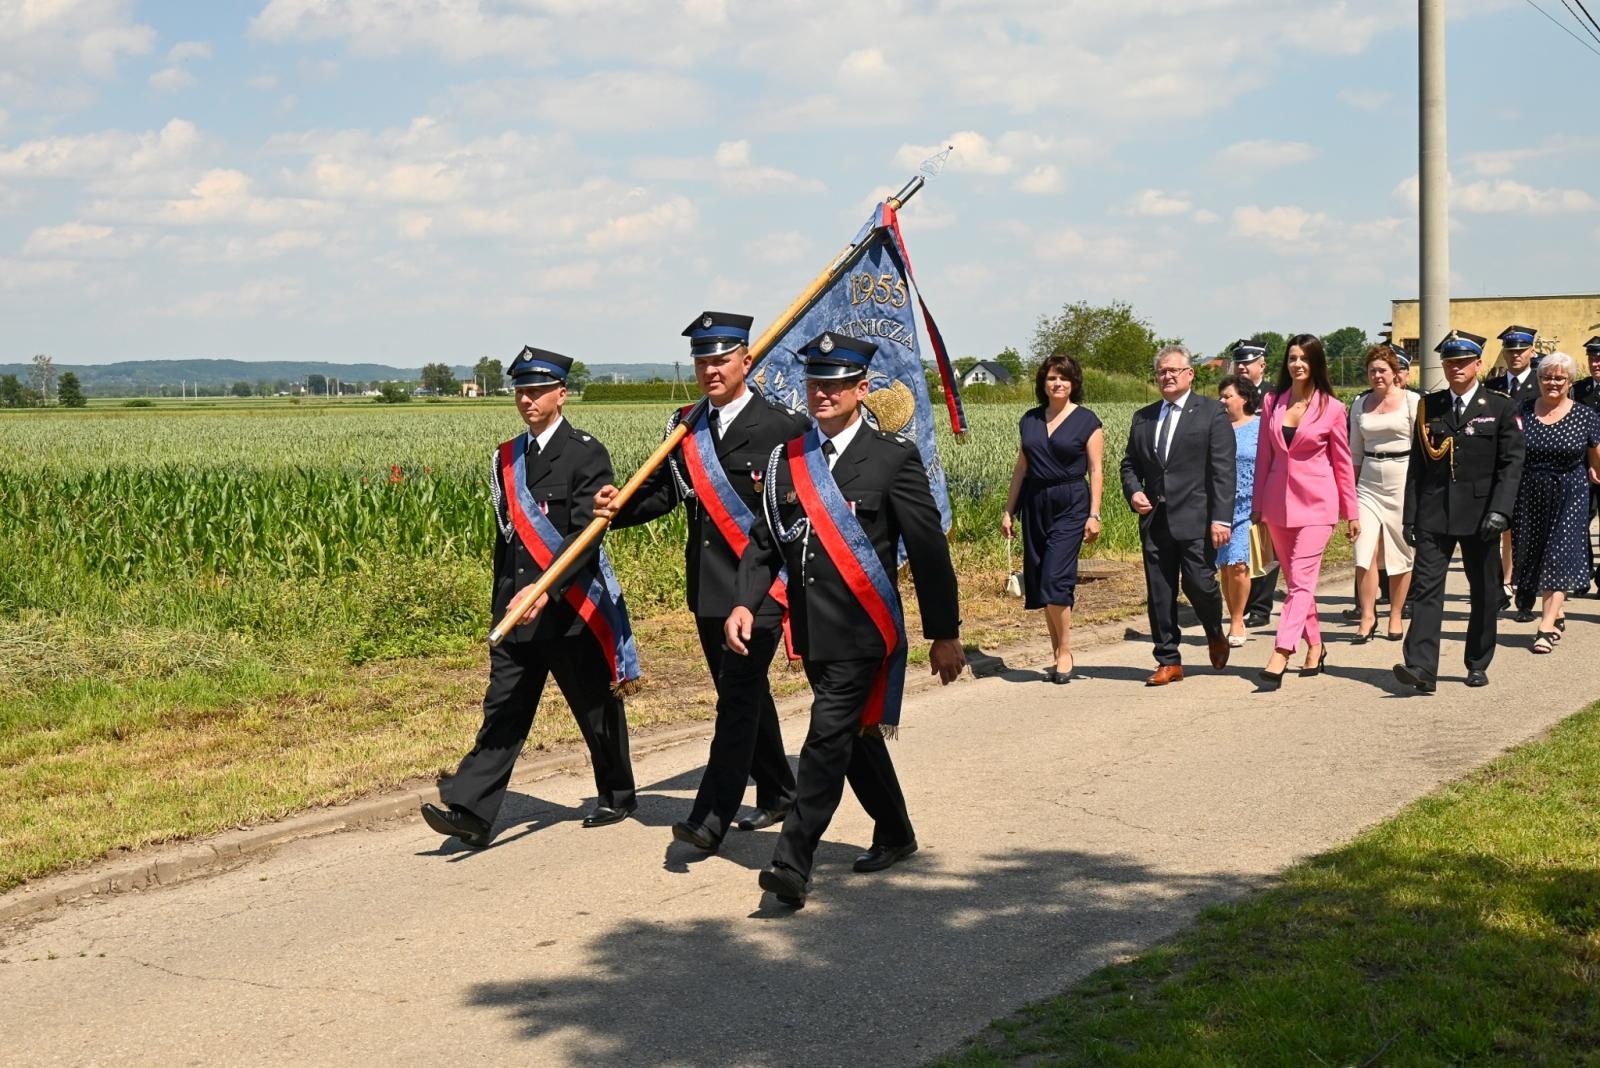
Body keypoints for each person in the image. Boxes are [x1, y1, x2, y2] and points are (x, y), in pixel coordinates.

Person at [727, 331, 964, 908]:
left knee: (823, 741)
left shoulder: (892, 458)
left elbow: (929, 552)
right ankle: (897, 830)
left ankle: (793, 862)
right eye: (815, 383)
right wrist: (743, 600)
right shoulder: (790, 459)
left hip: (865, 631)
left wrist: (945, 634)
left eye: (835, 384)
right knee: (856, 737)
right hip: (811, 629)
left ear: (861, 389)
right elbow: (765, 541)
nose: (822, 393)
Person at [593, 311, 806, 853]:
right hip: (708, 585)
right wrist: (618, 508)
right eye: (702, 359)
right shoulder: (686, 426)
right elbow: (667, 493)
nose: (711, 369)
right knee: (742, 689)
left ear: (746, 361)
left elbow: (797, 514)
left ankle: (710, 815)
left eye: (721, 358)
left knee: (735, 698)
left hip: (760, 591)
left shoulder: (784, 427)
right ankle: (780, 790)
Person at [422, 347, 638, 849]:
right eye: (521, 390)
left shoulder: (587, 452)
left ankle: (618, 791)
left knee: (593, 706)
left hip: (570, 607)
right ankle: (472, 811)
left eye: (538, 390)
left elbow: (586, 535)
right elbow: (508, 541)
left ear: (561, 394)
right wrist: (504, 602)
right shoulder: (507, 457)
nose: (528, 399)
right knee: (505, 707)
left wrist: (547, 589)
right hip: (516, 609)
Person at [1394, 331, 1525, 693]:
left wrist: (1501, 511)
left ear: (1478, 365)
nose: (1456, 368)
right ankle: (1421, 667)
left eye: (1464, 362)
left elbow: (1511, 465)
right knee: (1425, 590)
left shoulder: (1499, 407)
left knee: (1484, 591)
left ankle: (1478, 661)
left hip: (1482, 516)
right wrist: (1410, 516)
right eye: (1450, 362)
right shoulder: (1429, 406)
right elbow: (1417, 467)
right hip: (1435, 514)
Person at [1119, 344, 1235, 686]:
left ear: (1189, 374)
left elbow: (1223, 470)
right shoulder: (1144, 416)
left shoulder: (1211, 412)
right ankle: (1168, 659)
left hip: (1198, 518)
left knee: (1199, 584)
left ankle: (1214, 631)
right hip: (1155, 519)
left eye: (1173, 370)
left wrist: (1221, 518)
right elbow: (1129, 464)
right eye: (1161, 372)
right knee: (1160, 591)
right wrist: (1133, 491)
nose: (1166, 376)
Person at [1251, 334, 1358, 689]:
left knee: (1302, 581)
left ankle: (1282, 651)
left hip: (1317, 504)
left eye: (1304, 358)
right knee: (1297, 582)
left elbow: (1342, 463)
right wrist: (1257, 507)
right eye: (1293, 357)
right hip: (1277, 505)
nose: (1297, 364)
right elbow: (1264, 457)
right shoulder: (1272, 401)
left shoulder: (1333, 408)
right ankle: (1316, 645)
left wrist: (1351, 512)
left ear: (1315, 364)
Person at [1001, 352, 1104, 682]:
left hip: (1072, 502)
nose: (1057, 383)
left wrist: (1094, 514)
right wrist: (1009, 510)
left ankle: (1065, 652)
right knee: (1041, 578)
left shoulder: (1088, 421)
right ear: (1043, 384)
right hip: (1035, 503)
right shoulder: (1029, 420)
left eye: (1064, 378)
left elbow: (1096, 470)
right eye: (1051, 378)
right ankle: (1057, 648)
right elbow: (1021, 469)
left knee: (1055, 578)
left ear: (1073, 384)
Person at [1509, 351, 1600, 652]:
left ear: (1570, 381)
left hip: (1570, 491)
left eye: (1560, 377)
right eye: (1547, 377)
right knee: (1534, 554)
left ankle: (1545, 627)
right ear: (1538, 379)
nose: (1553, 382)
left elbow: (1596, 459)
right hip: (1530, 492)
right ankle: (1555, 611)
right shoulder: (1522, 411)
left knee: (1558, 554)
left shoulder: (1585, 415)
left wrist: (1594, 470)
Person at [1349, 345, 1417, 642]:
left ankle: (1396, 615)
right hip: (1368, 481)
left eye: (1382, 370)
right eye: (1372, 371)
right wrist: (1349, 495)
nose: (1377, 375)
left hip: (1402, 477)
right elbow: (1353, 452)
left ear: (1394, 373)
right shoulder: (1359, 404)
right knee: (1364, 551)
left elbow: (1421, 448)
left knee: (1400, 552)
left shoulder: (1412, 401)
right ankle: (1367, 615)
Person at [1486, 325, 1540, 612]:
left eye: (1521, 350)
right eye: (1510, 350)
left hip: (1531, 466)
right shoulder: (1493, 386)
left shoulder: (1541, 383)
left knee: (1525, 531)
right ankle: (1497, 590)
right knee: (1494, 529)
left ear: (1532, 351)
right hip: (1498, 466)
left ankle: (1523, 587)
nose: (1515, 355)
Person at [1231, 338, 1277, 628]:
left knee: (1264, 543)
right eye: (1239, 362)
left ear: (1262, 365)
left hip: (1269, 476)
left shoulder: (1274, 396)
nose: (1242, 367)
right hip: (1239, 481)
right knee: (1239, 547)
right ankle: (1242, 603)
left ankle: (1261, 606)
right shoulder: (1230, 394)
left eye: (1248, 363)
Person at [1215, 375, 1260, 646]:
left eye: (1227, 395)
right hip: (1220, 506)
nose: (1222, 401)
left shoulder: (1260, 427)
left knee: (1239, 564)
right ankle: (1232, 612)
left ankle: (1237, 620)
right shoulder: (1216, 427)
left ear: (1243, 398)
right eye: (1220, 396)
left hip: (1249, 506)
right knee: (1224, 566)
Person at [1573, 337, 1600, 593]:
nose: (1596, 363)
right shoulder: (1578, 390)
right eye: (1592, 358)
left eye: (1599, 358)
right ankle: (1583, 572)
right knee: (1581, 520)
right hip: (1582, 466)